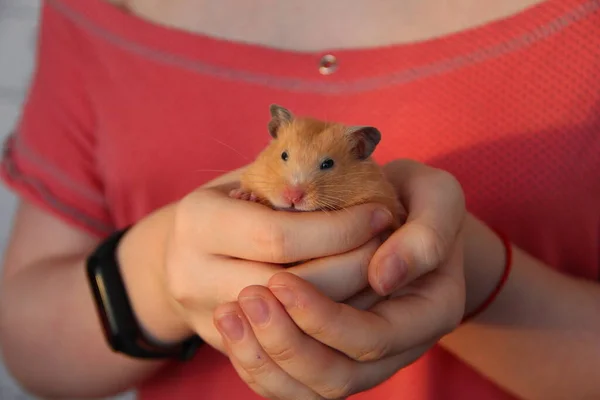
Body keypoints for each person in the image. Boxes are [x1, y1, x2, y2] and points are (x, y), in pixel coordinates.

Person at [0, 0, 598, 399]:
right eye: (285, 162)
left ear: (363, 154)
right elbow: (25, 340)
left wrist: (473, 273)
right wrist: (159, 277)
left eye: (327, 168)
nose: (296, 190)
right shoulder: (87, 15)